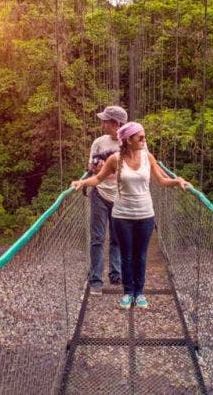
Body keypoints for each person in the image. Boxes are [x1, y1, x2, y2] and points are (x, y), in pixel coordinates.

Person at [72, 122, 190, 310]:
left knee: (140, 255)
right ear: (128, 140)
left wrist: (178, 181)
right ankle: (128, 293)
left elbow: (161, 180)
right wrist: (82, 182)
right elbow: (98, 178)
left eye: (144, 136)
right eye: (140, 137)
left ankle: (139, 292)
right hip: (122, 215)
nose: (144, 140)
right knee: (126, 255)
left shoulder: (148, 157)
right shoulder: (115, 159)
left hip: (145, 214)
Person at [85, 106, 129, 296]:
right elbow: (91, 166)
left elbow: (140, 166)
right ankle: (96, 281)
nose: (102, 124)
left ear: (116, 124)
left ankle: (116, 274)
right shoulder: (98, 143)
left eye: (105, 121)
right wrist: (96, 168)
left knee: (117, 239)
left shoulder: (131, 142)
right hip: (100, 195)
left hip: (122, 196)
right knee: (97, 239)